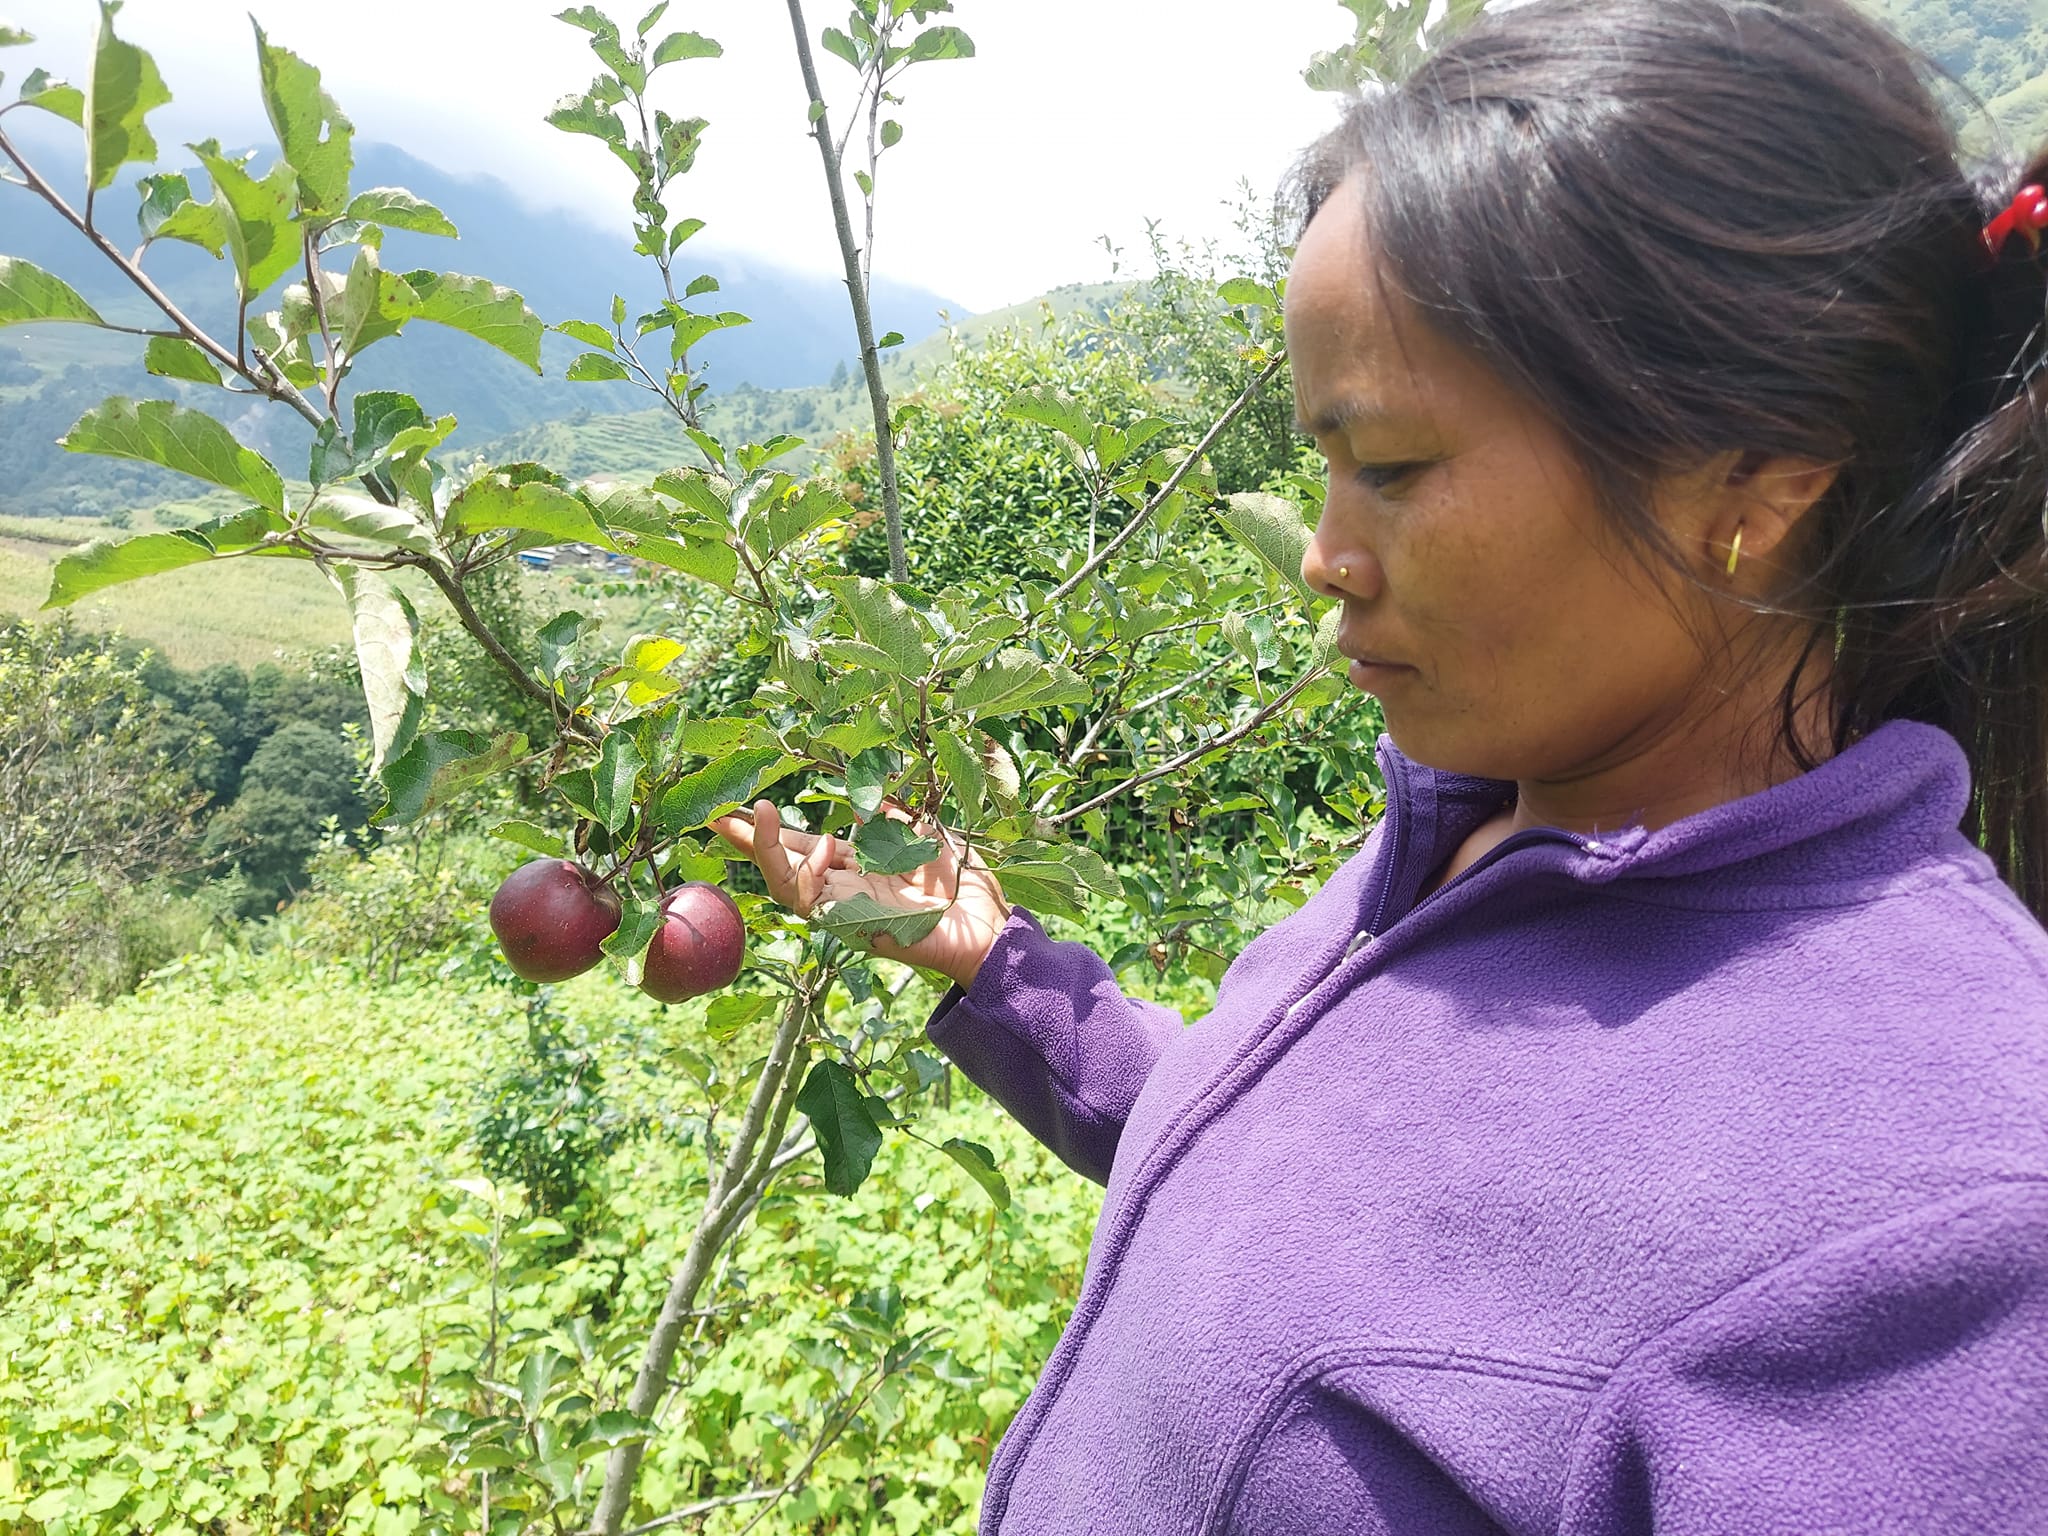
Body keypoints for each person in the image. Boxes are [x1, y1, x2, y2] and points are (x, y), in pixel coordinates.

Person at [715, 0, 2048, 1529]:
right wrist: (996, 969)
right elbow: (1321, 1200)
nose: (1327, 557)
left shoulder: (1945, 1214)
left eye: (1395, 467)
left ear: (1759, 473)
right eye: (1323, 468)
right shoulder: (1473, 839)